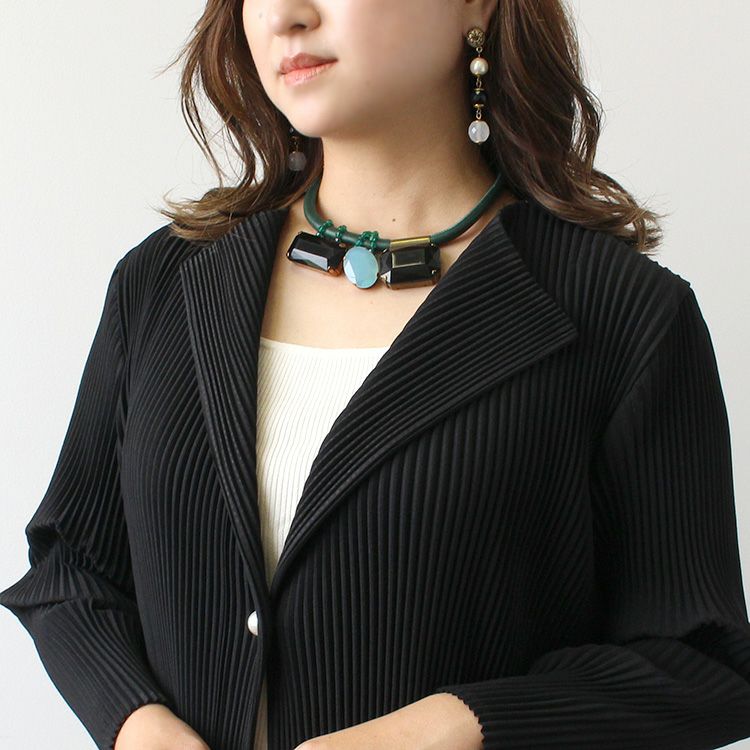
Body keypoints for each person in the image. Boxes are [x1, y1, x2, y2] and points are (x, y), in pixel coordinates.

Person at [2, 1, 750, 749]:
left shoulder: (620, 314)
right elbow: (73, 564)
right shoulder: (165, 282)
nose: (286, 14)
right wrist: (137, 724)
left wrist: (454, 728)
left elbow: (703, 663)